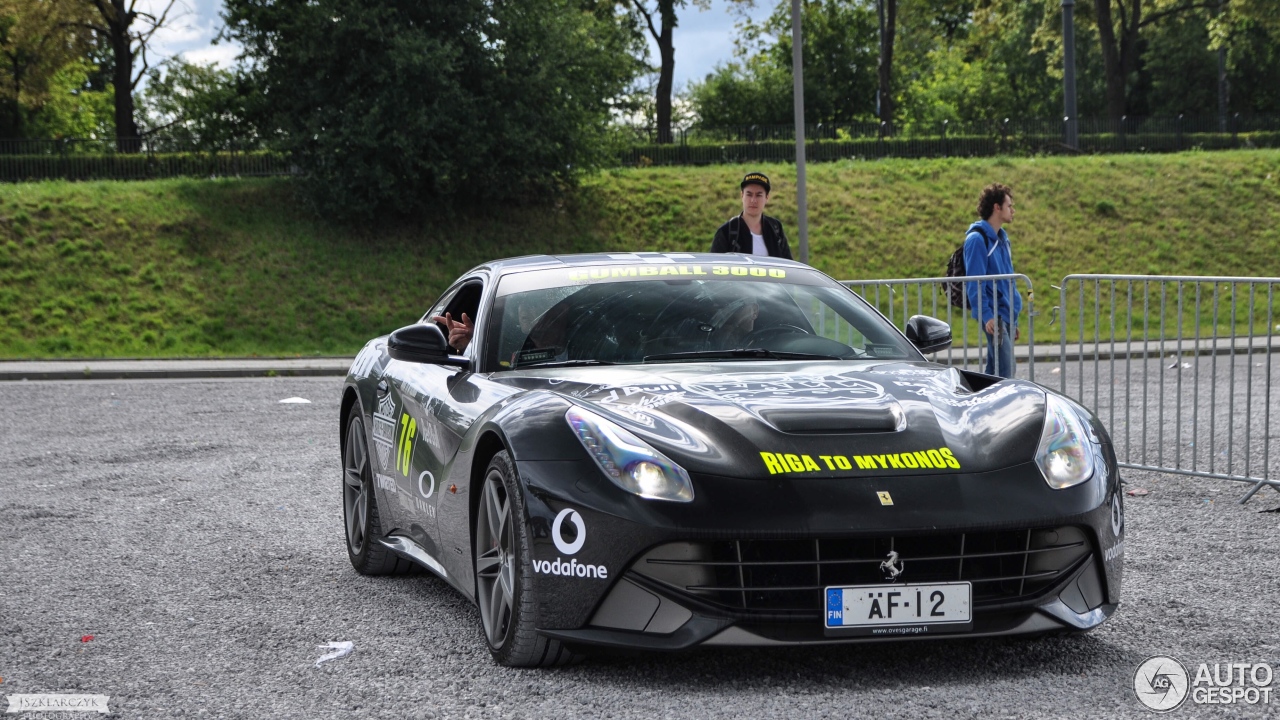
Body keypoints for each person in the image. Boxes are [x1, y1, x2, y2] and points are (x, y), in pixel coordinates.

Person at [963, 183, 1023, 379]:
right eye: (1009, 206)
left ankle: (981, 405)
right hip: (993, 316)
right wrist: (986, 315)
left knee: (994, 371)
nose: (1012, 210)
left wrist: (1013, 320)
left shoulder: (1003, 240)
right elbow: (975, 282)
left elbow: (1008, 280)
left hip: (1005, 314)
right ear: (997, 207)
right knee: (1006, 370)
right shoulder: (977, 240)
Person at [710, 172, 793, 258]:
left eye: (758, 195)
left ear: (767, 198)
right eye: (749, 194)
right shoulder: (727, 232)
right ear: (742, 195)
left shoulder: (775, 228)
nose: (753, 200)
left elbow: (789, 266)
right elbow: (714, 266)